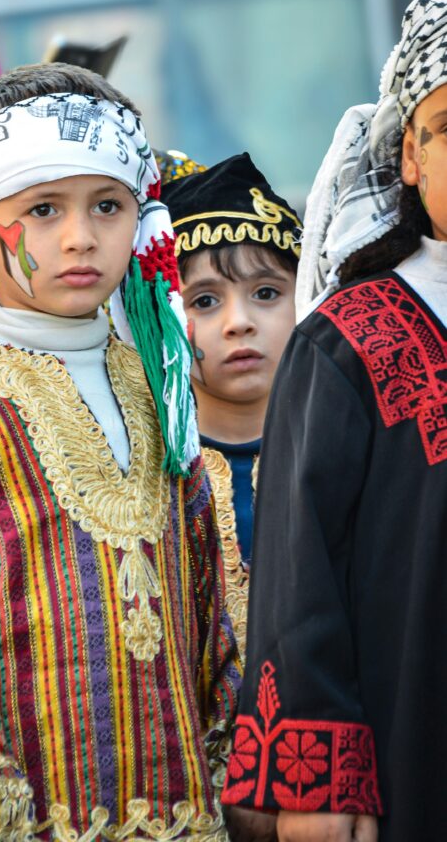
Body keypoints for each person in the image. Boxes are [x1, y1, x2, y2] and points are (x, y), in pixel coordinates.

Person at [0, 63, 242, 841]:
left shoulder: (159, 388)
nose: (79, 237)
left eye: (107, 205)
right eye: (42, 210)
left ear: (140, 219)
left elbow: (207, 606)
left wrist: (235, 759)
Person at [222, 0, 447, 842]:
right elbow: (299, 573)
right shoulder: (347, 342)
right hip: (416, 755)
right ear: (411, 158)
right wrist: (318, 783)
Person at [162, 154, 301, 664]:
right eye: (203, 301)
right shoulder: (142, 466)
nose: (239, 322)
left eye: (266, 293)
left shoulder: (345, 454)